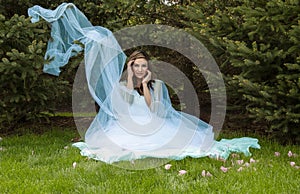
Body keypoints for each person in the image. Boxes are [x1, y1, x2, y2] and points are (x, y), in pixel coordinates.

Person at [28, 3, 260, 165]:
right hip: (128, 125)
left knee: (168, 142)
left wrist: (148, 86)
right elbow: (121, 110)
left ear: (147, 68)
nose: (140, 69)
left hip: (153, 124)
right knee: (121, 144)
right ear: (130, 67)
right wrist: (130, 80)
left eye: (143, 66)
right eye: (136, 66)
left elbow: (157, 112)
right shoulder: (121, 87)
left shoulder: (157, 85)